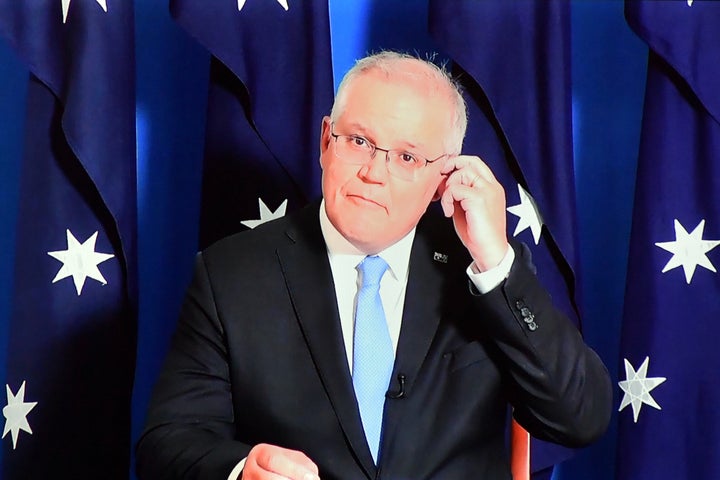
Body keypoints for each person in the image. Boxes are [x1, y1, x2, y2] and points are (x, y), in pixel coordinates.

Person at [136, 51, 612, 480]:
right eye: (359, 142)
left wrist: (495, 263)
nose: (373, 172)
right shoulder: (231, 275)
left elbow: (579, 418)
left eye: (406, 156)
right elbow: (169, 443)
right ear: (326, 141)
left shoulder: (484, 269)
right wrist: (243, 471)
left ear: (443, 174)